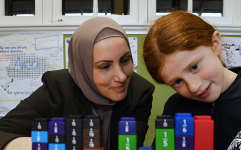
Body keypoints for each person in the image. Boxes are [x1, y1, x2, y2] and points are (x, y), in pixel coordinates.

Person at [143, 11, 241, 150]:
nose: (193, 87)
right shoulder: (175, 107)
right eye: (177, 82)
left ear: (215, 43)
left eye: (194, 67)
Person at [0, 17, 154, 150]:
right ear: (83, 67)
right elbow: (3, 132)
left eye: (125, 60)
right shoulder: (58, 88)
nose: (121, 76)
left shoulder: (140, 92)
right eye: (105, 66)